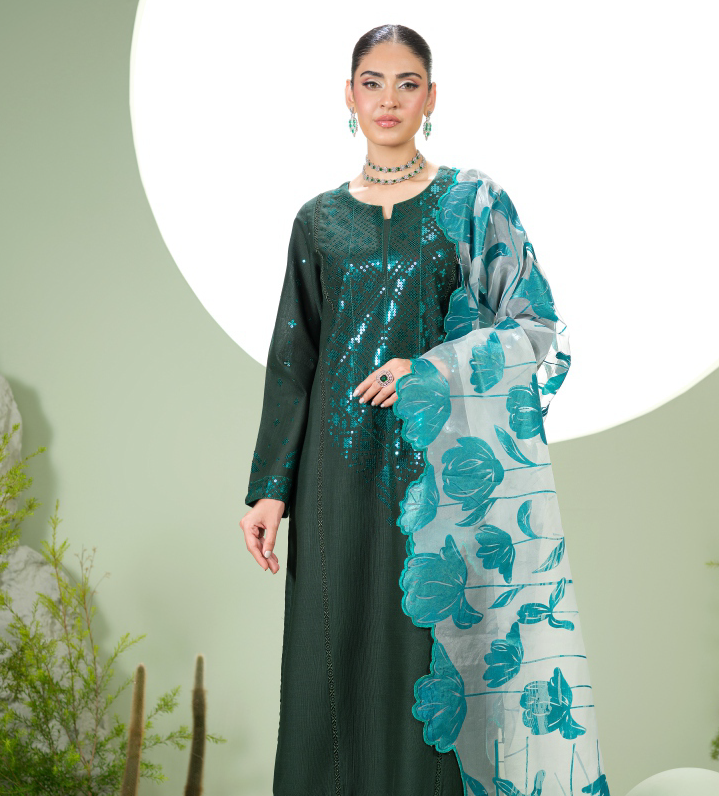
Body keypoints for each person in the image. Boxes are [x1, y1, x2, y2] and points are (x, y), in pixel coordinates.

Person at [239, 23, 611, 796]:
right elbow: (294, 360)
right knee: (331, 657)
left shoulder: (471, 202)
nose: (388, 100)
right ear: (348, 95)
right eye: (372, 83)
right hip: (336, 479)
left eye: (406, 83)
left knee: (430, 665)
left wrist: (431, 368)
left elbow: (535, 328)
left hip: (440, 476)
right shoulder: (317, 220)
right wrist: (271, 489)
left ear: (431, 97)